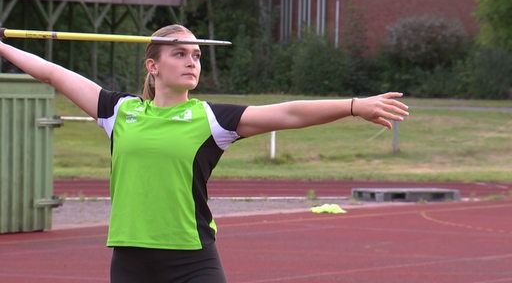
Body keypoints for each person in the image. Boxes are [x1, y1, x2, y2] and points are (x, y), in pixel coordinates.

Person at [0, 24, 409, 282]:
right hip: (130, 262)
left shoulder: (212, 118)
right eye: (180, 53)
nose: (192, 61)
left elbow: (287, 112)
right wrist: (3, 46)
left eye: (196, 54)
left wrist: (353, 105)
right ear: (153, 66)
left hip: (193, 261)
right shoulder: (119, 111)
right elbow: (52, 72)